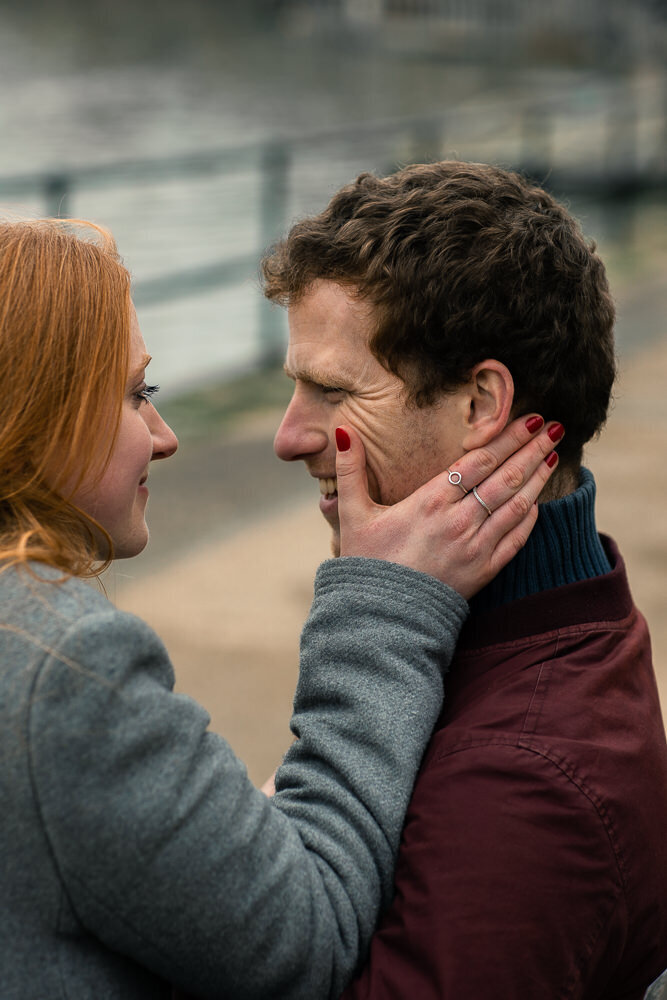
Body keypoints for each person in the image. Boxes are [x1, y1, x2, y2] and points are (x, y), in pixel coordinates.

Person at [0, 217, 558, 1000]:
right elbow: (306, 940)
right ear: (33, 415)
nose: (164, 437)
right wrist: (381, 608)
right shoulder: (62, 670)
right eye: (135, 396)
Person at [261, 160, 667, 998]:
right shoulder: (563, 614)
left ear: (481, 404)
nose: (289, 436)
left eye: (331, 391)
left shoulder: (517, 788)